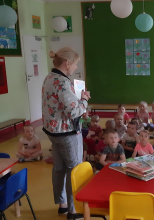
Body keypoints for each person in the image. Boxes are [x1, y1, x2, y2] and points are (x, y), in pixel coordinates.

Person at [42, 47, 90, 219]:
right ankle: (73, 210)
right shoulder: (63, 82)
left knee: (59, 168)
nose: (76, 68)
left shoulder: (49, 78)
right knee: (73, 169)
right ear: (67, 63)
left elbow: (58, 105)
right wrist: (84, 99)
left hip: (52, 131)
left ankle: (62, 204)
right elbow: (74, 112)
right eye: (75, 64)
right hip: (66, 132)